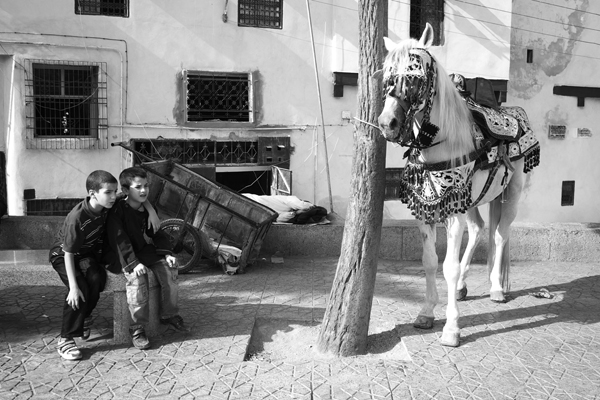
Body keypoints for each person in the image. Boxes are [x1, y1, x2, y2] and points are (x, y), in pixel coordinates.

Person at [106, 167, 189, 350]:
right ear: (127, 190)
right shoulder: (117, 210)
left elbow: (156, 233)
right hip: (122, 255)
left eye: (146, 186)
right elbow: (120, 240)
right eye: (138, 187)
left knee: (170, 269)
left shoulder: (147, 209)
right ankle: (137, 328)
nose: (143, 191)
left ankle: (169, 314)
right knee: (138, 279)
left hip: (144, 251)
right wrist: (134, 264)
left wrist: (167, 254)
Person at [49, 170, 117, 361]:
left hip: (85, 255)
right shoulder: (77, 217)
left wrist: (152, 212)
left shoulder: (108, 204)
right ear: (92, 193)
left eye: (115, 191)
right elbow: (68, 252)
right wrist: (72, 287)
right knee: (81, 288)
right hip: (63, 256)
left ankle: (84, 315)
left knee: (97, 278)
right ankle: (66, 339)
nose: (113, 196)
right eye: (108, 192)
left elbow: (136, 198)